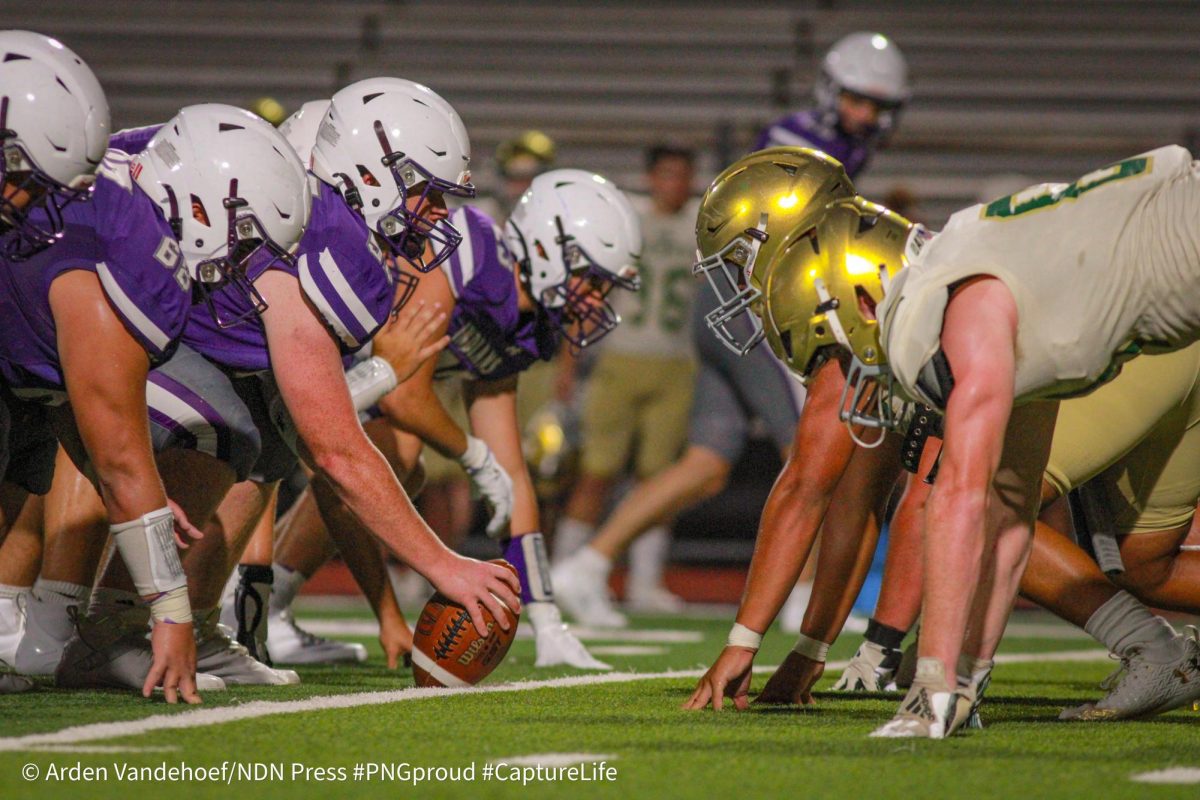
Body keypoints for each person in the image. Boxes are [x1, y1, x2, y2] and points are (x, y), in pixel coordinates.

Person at [246, 167, 643, 670]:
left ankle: (269, 607)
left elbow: (511, 468)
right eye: (591, 280)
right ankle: (250, 604)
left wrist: (546, 621)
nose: (596, 300)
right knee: (393, 454)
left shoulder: (520, 319)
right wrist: (471, 454)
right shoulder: (465, 254)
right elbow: (404, 397)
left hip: (359, 378)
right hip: (293, 350)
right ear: (547, 248)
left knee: (403, 462)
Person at [551, 143, 700, 622]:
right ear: (652, 177)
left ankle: (644, 581)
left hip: (677, 362)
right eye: (667, 173)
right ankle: (561, 570)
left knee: (658, 479)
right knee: (596, 471)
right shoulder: (627, 217)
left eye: (683, 173)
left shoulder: (703, 223)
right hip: (619, 357)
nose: (674, 184)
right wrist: (569, 365)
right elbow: (589, 289)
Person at [756, 32, 909, 174]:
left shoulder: (855, 144)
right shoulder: (792, 138)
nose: (865, 115)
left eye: (878, 106)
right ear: (830, 91)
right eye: (855, 100)